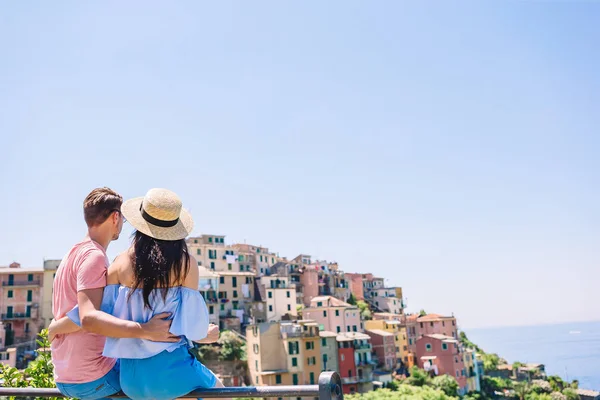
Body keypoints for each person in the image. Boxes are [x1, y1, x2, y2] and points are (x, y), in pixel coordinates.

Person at [52, 188, 225, 400]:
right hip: (172, 374)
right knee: (223, 391)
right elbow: (194, 329)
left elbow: (98, 312)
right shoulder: (186, 264)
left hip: (130, 380)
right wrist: (208, 334)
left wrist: (56, 326)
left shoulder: (117, 265)